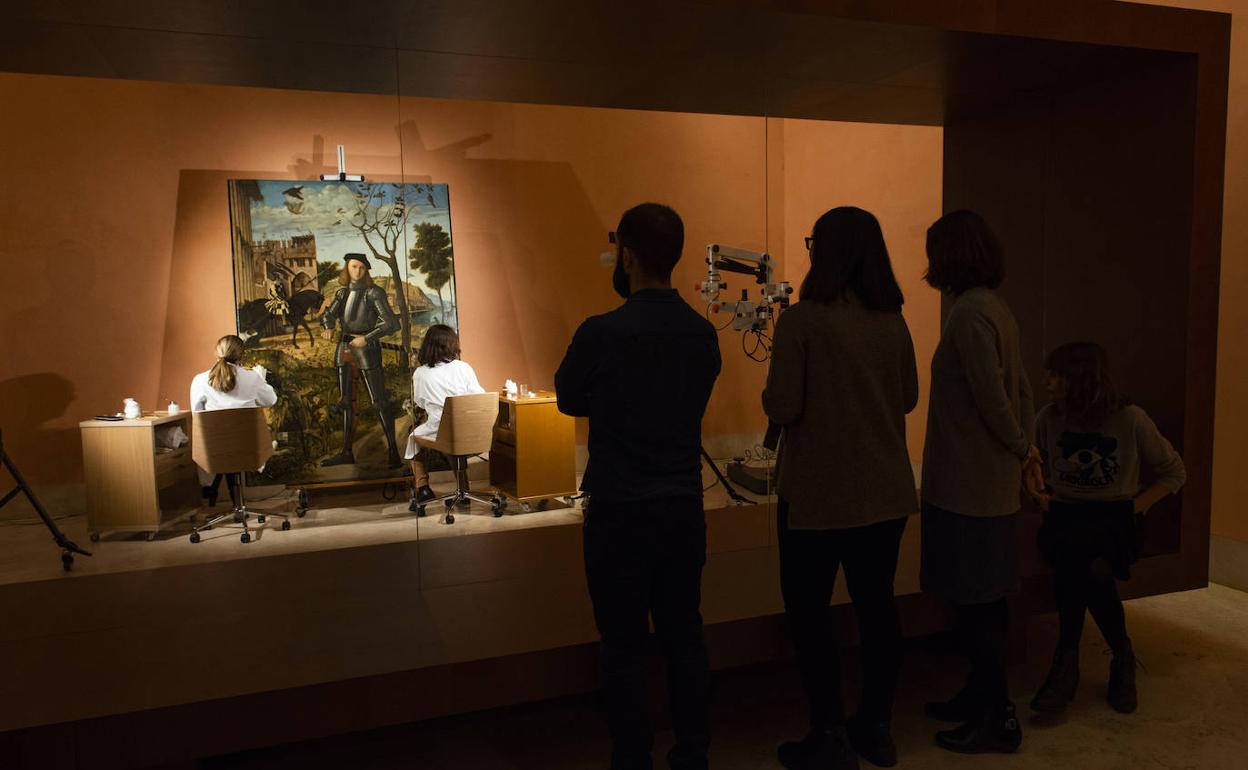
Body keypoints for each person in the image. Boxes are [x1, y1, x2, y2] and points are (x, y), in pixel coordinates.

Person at [555, 203, 722, 770]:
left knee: (622, 644)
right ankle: (693, 752)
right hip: (681, 505)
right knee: (684, 635)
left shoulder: (601, 332)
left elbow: (567, 398)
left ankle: (632, 758)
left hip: (620, 509)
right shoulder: (702, 333)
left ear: (626, 255)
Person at [763, 207, 918, 770]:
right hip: (886, 490)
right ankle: (876, 728)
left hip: (817, 495)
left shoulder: (802, 322)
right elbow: (907, 398)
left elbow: (783, 405)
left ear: (824, 252)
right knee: (877, 609)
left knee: (810, 616)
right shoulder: (893, 321)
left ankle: (827, 733)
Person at [918, 210, 1041, 754]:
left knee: (976, 607)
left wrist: (1021, 447)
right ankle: (979, 696)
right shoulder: (995, 308)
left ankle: (997, 715)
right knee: (985, 602)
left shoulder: (968, 314)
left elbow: (993, 398)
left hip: (967, 486)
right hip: (989, 484)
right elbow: (1022, 389)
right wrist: (1025, 448)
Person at [1028, 342, 1185, 716]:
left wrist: (1135, 506)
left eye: (1056, 374)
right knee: (1084, 564)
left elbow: (1174, 472)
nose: (1047, 382)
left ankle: (1066, 665)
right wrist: (1037, 494)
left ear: (1079, 378)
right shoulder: (1048, 418)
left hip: (1115, 520)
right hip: (1066, 517)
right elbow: (1030, 463)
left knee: (1082, 567)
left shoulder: (1130, 419)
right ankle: (1120, 655)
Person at [319, 253, 403, 468]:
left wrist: (367, 338)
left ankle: (393, 452)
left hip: (367, 350)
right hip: (344, 349)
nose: (357, 271)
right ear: (347, 269)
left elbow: (391, 323)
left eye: (361, 268)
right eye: (353, 267)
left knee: (379, 402)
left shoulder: (373, 293)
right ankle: (346, 452)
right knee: (346, 401)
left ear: (366, 270)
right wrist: (328, 326)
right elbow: (328, 315)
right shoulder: (342, 293)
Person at [189, 334, 278, 507]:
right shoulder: (252, 378)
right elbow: (271, 400)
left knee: (224, 445)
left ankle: (218, 493)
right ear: (241, 356)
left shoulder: (199, 380)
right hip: (250, 450)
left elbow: (197, 416)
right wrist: (260, 379)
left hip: (214, 452)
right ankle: (237, 503)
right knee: (253, 438)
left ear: (216, 353)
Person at [405, 324, 485, 511]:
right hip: (471, 430)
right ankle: (463, 490)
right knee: (454, 443)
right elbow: (479, 397)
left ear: (428, 345)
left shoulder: (421, 373)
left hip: (441, 429)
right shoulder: (464, 368)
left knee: (413, 438)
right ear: (452, 344)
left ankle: (423, 487)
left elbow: (420, 402)